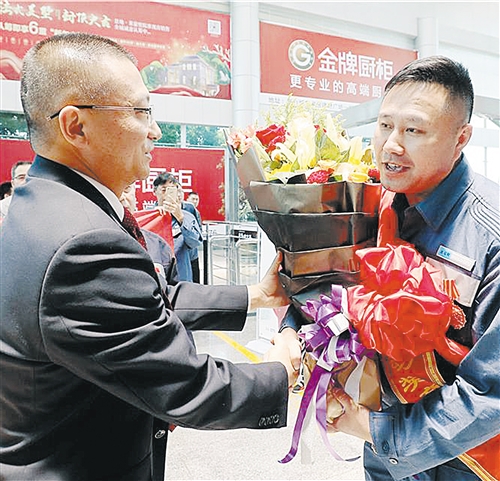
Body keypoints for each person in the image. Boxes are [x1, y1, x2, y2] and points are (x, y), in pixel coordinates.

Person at [0, 32, 298, 481]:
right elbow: (186, 385)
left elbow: (144, 299)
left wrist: (257, 295)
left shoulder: (45, 205)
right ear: (75, 126)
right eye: (140, 112)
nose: (155, 130)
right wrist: (284, 370)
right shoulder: (81, 242)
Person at [281, 56, 500, 480]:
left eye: (413, 130)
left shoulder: (489, 236)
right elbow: (325, 282)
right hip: (383, 446)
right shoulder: (367, 206)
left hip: (465, 460)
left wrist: (373, 429)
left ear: (461, 138)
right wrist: (293, 331)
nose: (391, 145)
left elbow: (492, 391)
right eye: (385, 125)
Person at [120, 182, 179, 284]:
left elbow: (171, 288)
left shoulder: (158, 245)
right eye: (112, 192)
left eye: (126, 188)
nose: (121, 197)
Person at [152, 172, 202, 282]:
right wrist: (154, 216)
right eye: (164, 190)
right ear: (155, 191)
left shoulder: (187, 216)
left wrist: (180, 218)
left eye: (171, 191)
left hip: (181, 278)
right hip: (156, 279)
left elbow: (195, 243)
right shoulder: (149, 216)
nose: (167, 195)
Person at [184, 190, 203, 283]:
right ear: (187, 199)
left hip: (193, 251)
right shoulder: (183, 210)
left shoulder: (195, 212)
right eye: (193, 199)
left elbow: (199, 229)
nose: (195, 201)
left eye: (197, 199)